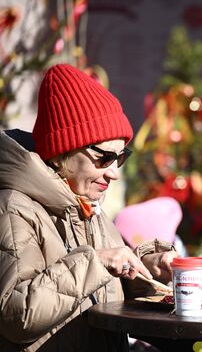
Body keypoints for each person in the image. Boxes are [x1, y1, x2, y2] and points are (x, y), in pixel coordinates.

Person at [0, 64, 178, 352]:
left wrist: (148, 269)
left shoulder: (90, 208)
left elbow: (106, 290)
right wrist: (97, 262)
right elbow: (16, 315)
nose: (114, 173)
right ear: (63, 151)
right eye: (104, 157)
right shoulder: (13, 207)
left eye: (120, 157)